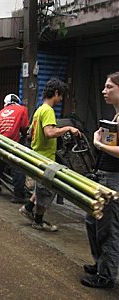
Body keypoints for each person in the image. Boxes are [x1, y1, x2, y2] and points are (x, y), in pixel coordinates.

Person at [19, 78, 80, 232]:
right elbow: (49, 132)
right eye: (61, 96)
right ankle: (38, 221)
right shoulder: (48, 111)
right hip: (44, 158)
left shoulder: (39, 110)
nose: (61, 99)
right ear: (57, 93)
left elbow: (31, 132)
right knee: (46, 191)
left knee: (41, 188)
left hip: (38, 155)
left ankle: (27, 208)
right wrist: (67, 128)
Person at [81, 72, 119, 289]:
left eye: (109, 87)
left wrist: (99, 144)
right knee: (92, 222)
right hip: (103, 177)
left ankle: (106, 276)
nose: (104, 91)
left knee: (108, 229)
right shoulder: (115, 116)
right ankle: (99, 263)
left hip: (113, 181)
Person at [0, 94, 29, 203]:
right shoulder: (22, 109)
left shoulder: (0, 112)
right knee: (18, 168)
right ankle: (18, 195)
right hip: (12, 143)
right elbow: (24, 127)